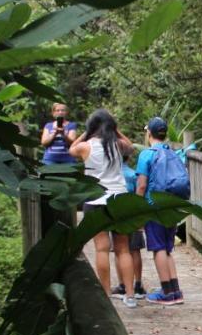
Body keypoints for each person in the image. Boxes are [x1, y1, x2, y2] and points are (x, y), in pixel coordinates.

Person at [68, 109, 138, 306]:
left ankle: (106, 294)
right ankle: (130, 295)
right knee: (123, 249)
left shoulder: (85, 147)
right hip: (119, 199)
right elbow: (131, 147)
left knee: (101, 249)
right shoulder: (118, 145)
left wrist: (86, 132)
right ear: (112, 127)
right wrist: (116, 131)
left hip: (95, 200)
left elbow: (71, 149)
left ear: (92, 128)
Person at [135, 116, 188, 305]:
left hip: (154, 205)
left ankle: (166, 293)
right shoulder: (172, 152)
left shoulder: (147, 154)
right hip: (171, 204)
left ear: (149, 132)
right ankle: (175, 291)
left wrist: (137, 209)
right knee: (167, 248)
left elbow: (141, 185)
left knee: (158, 248)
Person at [112, 156, 147, 301]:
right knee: (135, 249)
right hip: (133, 214)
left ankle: (122, 285)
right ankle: (138, 284)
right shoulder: (133, 174)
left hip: (118, 214)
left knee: (119, 250)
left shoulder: (113, 174)